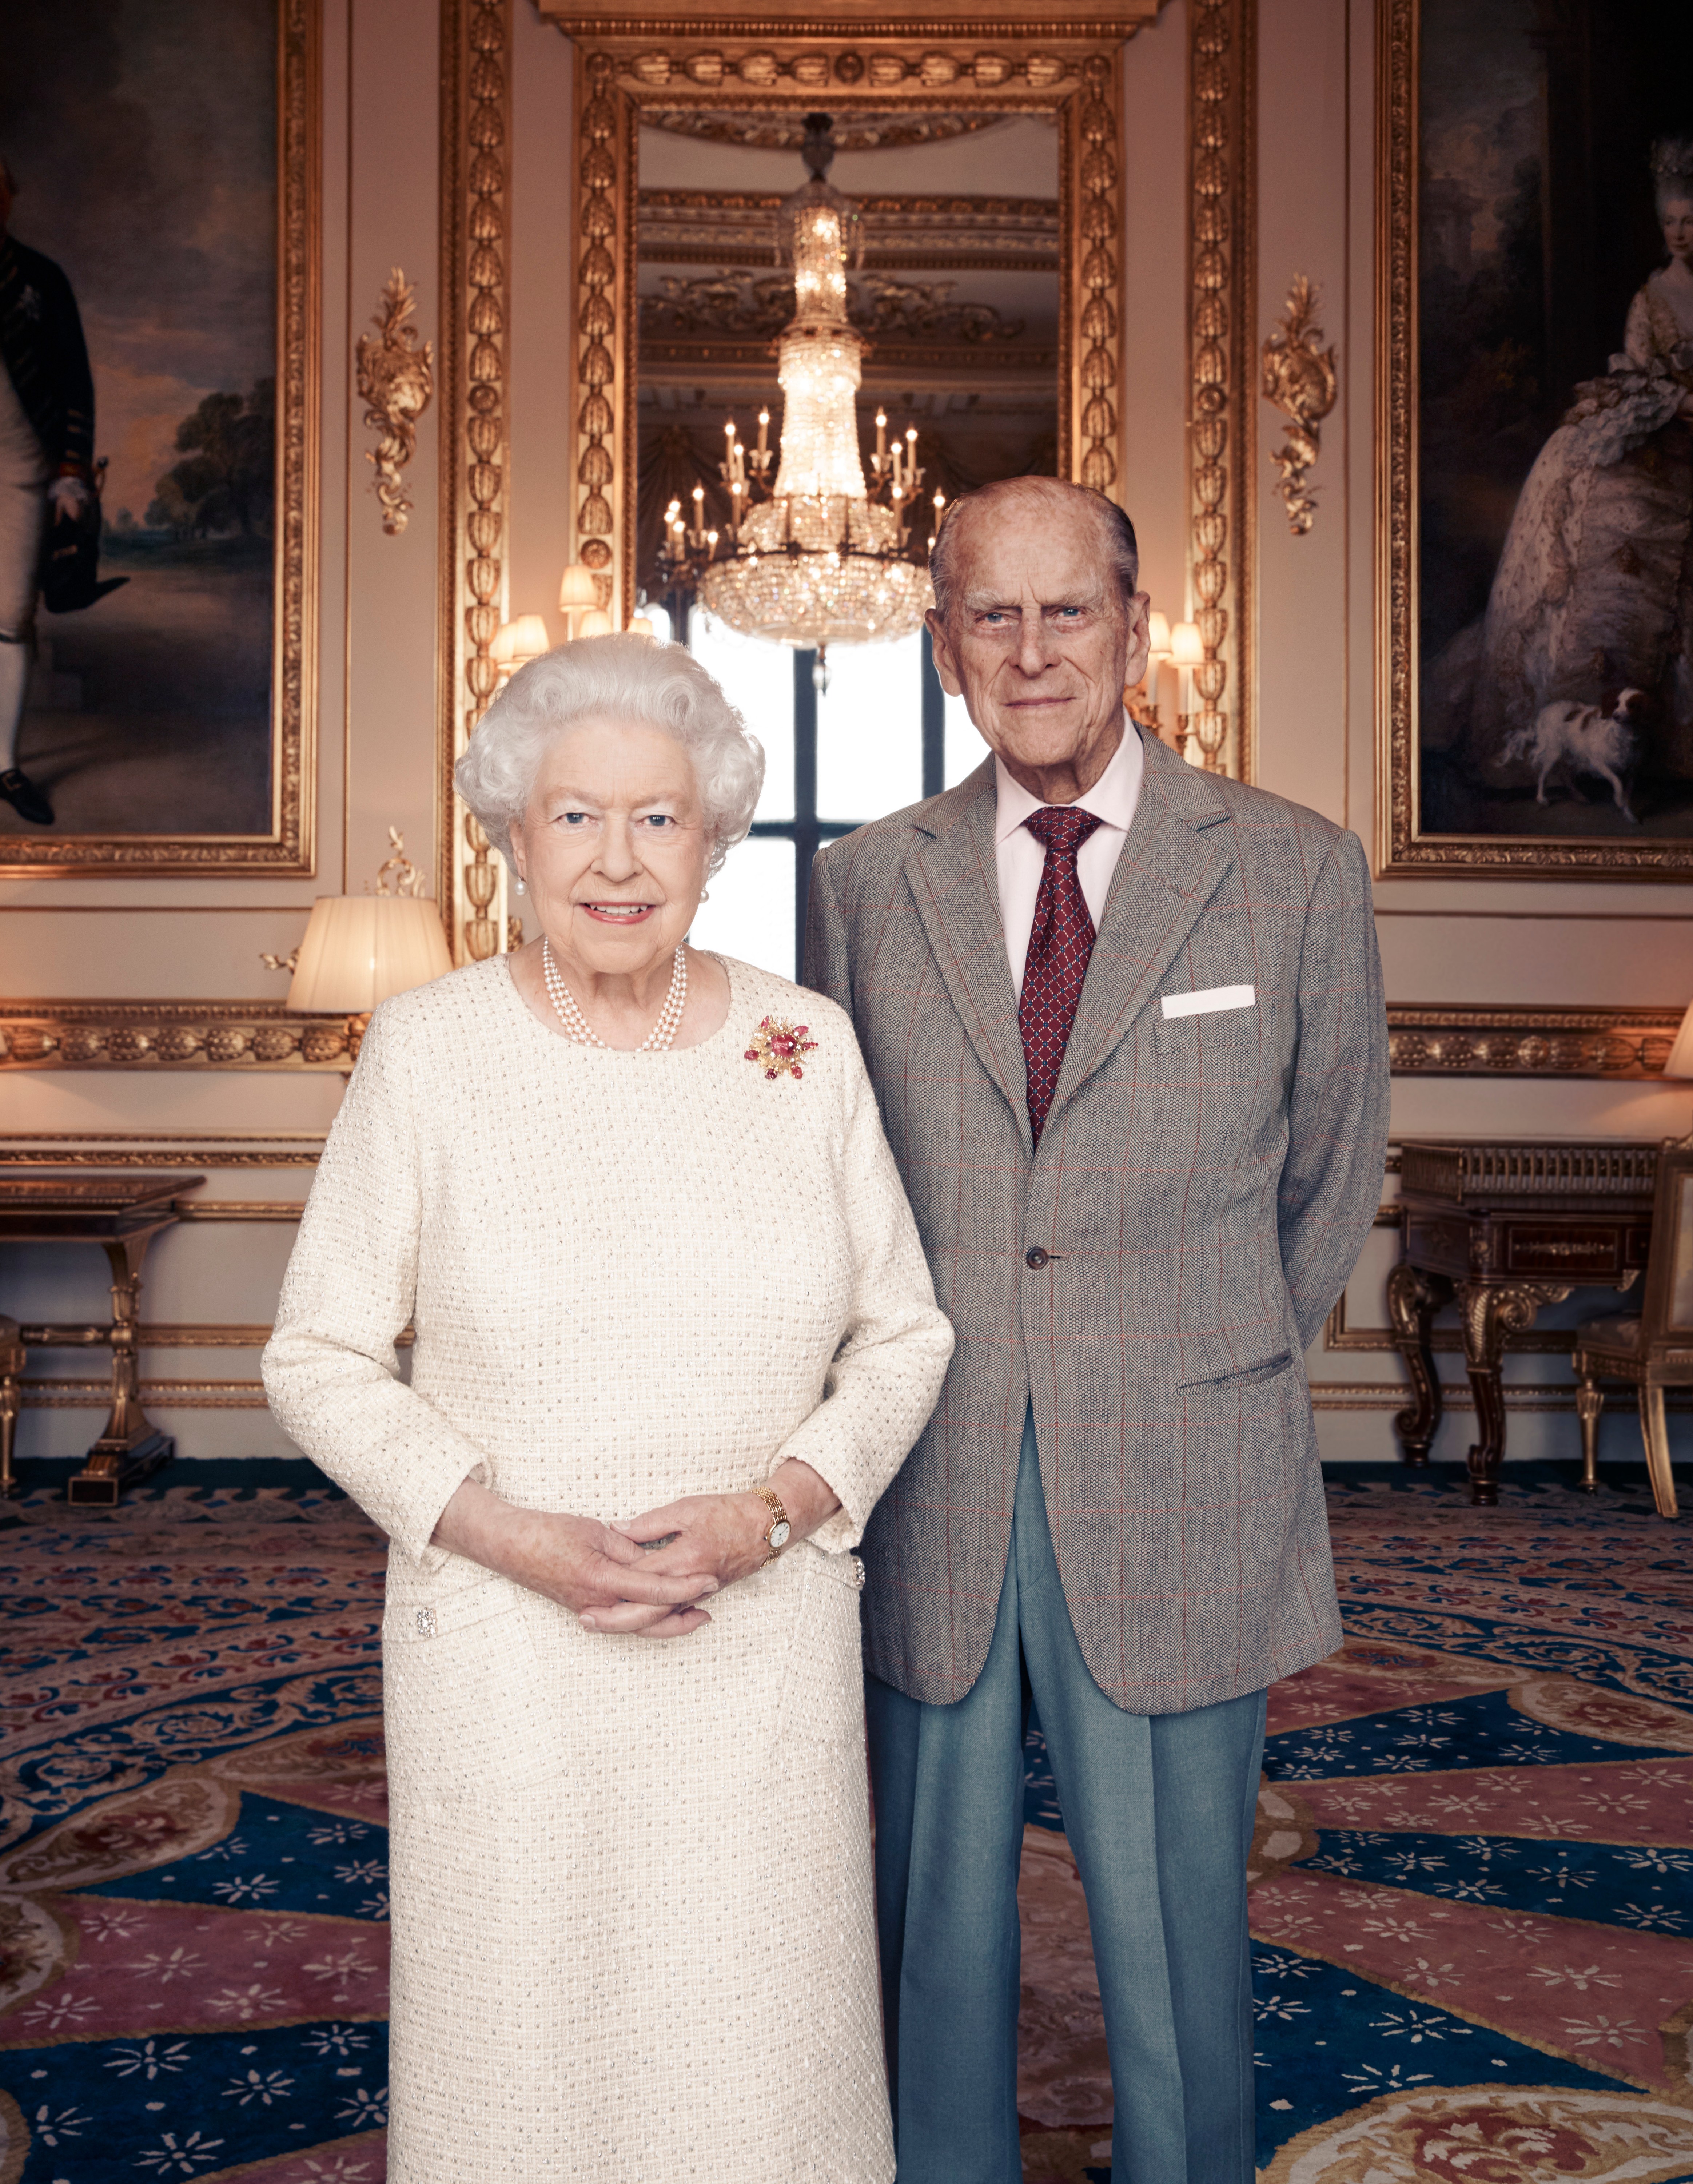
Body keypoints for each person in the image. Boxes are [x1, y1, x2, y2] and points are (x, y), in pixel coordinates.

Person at [263, 633, 953, 2184]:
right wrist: (511, 1538)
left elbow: (905, 1337)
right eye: (575, 817)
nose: (618, 859)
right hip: (509, 1659)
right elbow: (315, 1354)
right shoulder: (430, 1051)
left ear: (713, 841)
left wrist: (770, 1512)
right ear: (509, 837)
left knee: (754, 2053)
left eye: (659, 817)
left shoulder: (803, 1047)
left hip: (755, 1651)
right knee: (527, 2049)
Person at [805, 474, 1390, 2184]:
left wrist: (1188, 1353)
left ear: (1137, 629)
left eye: (1070, 610)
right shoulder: (857, 887)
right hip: (936, 1469)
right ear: (941, 647)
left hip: (1182, 1459)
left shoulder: (1290, 870)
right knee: (927, 1910)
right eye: (992, 612)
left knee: (1174, 1922)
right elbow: (835, 1186)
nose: (1033, 647)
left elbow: (1330, 1172)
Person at [1459, 134, 1693, 790]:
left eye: (1690, 221)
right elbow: (1642, 378)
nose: (1678, 233)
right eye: (1669, 221)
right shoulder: (1650, 299)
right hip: (1662, 429)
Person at [0, 154, 97, 827]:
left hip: (21, 467)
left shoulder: (40, 278)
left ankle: (3, 766)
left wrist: (70, 471)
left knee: (10, 618)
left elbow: (74, 383)